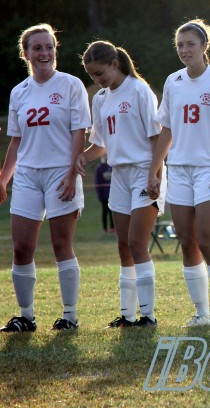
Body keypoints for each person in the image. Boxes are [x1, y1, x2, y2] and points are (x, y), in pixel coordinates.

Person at [148, 19, 210, 326]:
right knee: (187, 242)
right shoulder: (173, 81)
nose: (185, 50)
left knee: (206, 240)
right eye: (180, 45)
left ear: (204, 46)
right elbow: (166, 129)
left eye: (190, 44)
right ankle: (201, 313)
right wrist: (155, 170)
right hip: (178, 170)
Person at [0, 24, 91, 332]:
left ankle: (69, 316)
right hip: (27, 175)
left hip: (60, 173)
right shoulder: (19, 92)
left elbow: (79, 132)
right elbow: (16, 141)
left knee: (61, 244)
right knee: (22, 247)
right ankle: (26, 316)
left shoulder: (71, 85)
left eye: (49, 47)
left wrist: (71, 174)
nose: (45, 53)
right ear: (25, 54)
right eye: (37, 48)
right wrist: (3, 178)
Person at [76, 40, 165, 328]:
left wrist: (155, 173)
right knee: (123, 245)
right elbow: (100, 144)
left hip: (143, 171)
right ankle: (127, 315)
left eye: (100, 73)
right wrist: (83, 157)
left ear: (115, 64)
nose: (97, 80)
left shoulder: (139, 91)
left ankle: (148, 316)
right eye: (91, 75)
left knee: (137, 243)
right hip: (119, 176)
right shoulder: (101, 99)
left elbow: (157, 137)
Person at [95, 156, 114, 233]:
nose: (106, 158)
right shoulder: (99, 168)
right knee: (105, 211)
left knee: (112, 211)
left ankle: (113, 228)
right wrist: (100, 194)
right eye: (105, 156)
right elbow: (97, 182)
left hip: (112, 194)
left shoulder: (112, 166)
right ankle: (105, 229)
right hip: (104, 195)